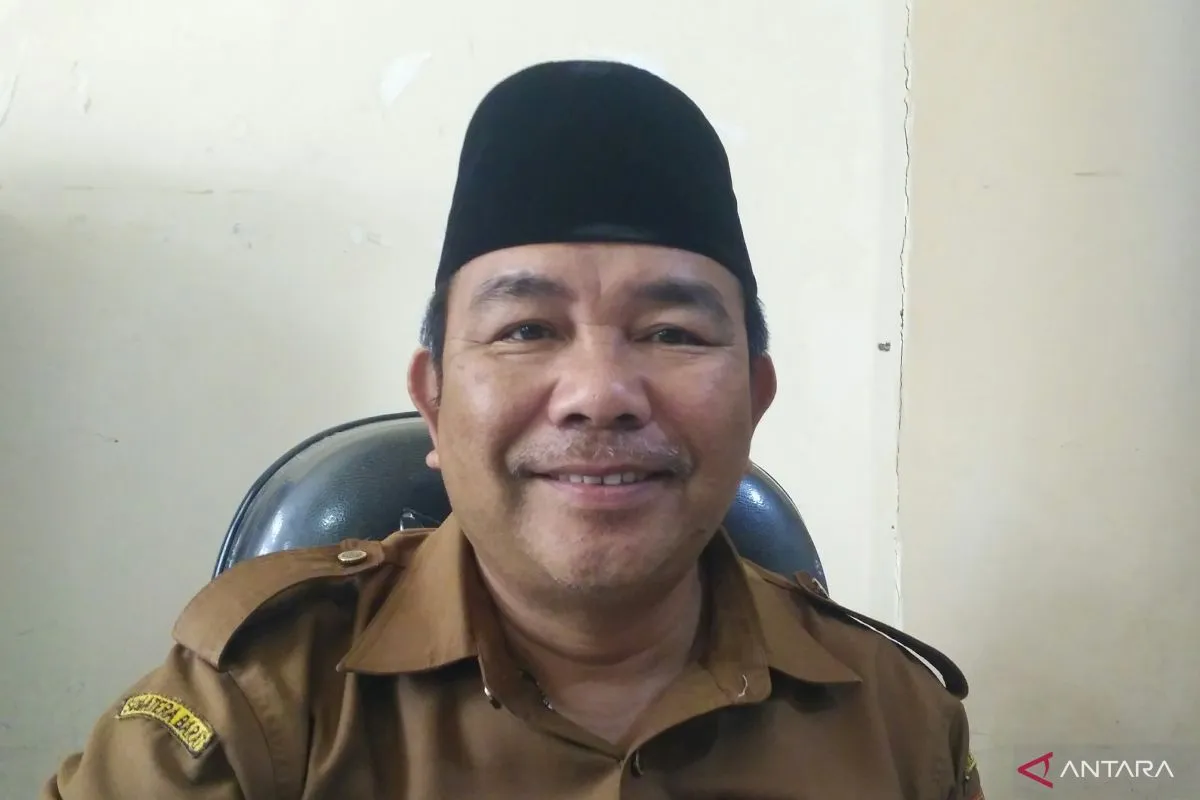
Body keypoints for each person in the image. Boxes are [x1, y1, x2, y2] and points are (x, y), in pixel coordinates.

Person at [43, 60, 985, 799]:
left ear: (756, 399)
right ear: (433, 401)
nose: (600, 394)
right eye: (527, 330)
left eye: (671, 333)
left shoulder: (900, 725)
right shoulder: (261, 701)